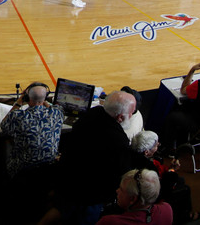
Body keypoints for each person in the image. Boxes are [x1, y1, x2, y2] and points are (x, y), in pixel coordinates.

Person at [48, 91, 138, 224]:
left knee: (60, 210)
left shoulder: (92, 113)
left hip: (67, 179)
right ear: (120, 117)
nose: (131, 115)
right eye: (131, 113)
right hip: (90, 197)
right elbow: (121, 172)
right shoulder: (119, 141)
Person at [2, 82, 64, 180]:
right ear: (45, 98)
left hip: (22, 172)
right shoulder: (56, 114)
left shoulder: (18, 116)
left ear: (27, 98)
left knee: (7, 140)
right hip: (49, 171)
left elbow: (4, 125)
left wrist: (19, 102)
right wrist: (42, 100)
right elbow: (53, 108)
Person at [96, 169, 173, 225]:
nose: (117, 191)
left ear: (133, 199)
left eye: (121, 189)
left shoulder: (109, 222)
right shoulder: (167, 209)